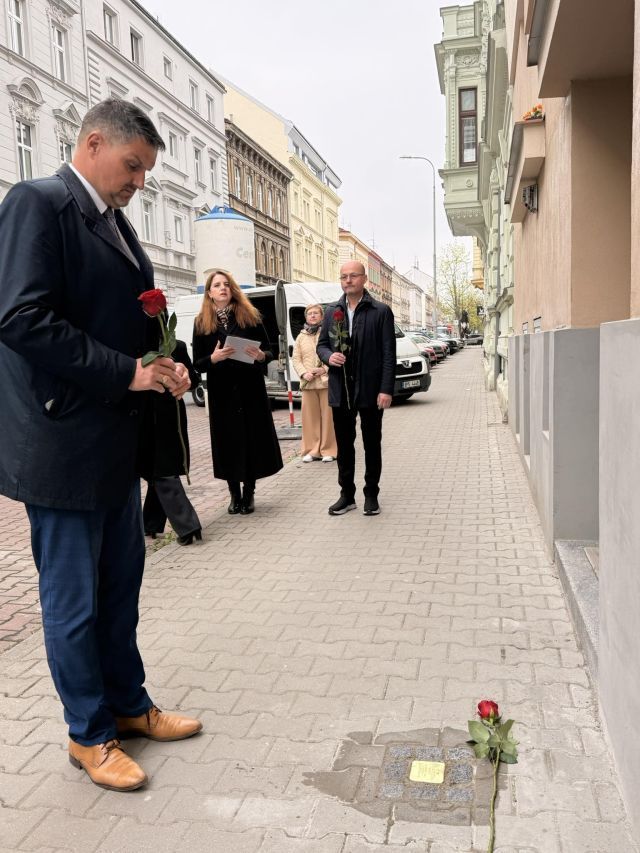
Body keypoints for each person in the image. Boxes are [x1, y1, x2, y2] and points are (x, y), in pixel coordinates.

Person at [0, 99, 202, 793]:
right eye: (133, 166)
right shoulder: (38, 203)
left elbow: (122, 321)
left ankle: (128, 704)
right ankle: (88, 733)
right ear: (92, 144)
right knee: (74, 602)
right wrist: (126, 372)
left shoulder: (114, 222)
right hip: (62, 445)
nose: (140, 182)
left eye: (145, 171)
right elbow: (20, 317)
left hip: (113, 443)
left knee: (119, 590)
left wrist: (164, 364)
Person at [192, 269, 283, 513]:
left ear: (232, 290)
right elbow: (197, 363)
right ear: (209, 293)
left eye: (226, 284)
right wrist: (213, 358)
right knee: (228, 442)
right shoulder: (201, 323)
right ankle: (234, 494)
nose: (222, 288)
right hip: (222, 393)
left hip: (250, 389)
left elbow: (271, 351)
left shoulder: (250, 316)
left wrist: (261, 355)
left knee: (251, 439)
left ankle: (249, 493)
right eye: (217, 285)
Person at [317, 260, 396, 516]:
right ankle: (347, 495)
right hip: (341, 390)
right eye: (343, 276)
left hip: (371, 389)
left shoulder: (380, 311)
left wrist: (386, 389)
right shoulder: (332, 311)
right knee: (344, 445)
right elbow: (321, 345)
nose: (348, 280)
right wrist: (329, 356)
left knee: (372, 444)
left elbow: (388, 353)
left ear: (364, 279)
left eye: (353, 276)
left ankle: (371, 494)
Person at [140, 339, 202, 546]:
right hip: (152, 414)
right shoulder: (140, 347)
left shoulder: (176, 346)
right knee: (156, 469)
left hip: (165, 413)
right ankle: (150, 523)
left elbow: (193, 379)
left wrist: (180, 375)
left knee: (162, 471)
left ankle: (188, 526)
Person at [291, 304, 337, 463]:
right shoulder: (301, 337)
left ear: (322, 316)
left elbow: (334, 354)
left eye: (316, 313)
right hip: (308, 384)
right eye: (309, 313)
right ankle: (312, 450)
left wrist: (324, 369)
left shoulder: (328, 333)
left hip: (325, 383)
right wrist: (304, 373)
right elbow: (296, 359)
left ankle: (328, 450)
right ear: (306, 317)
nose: (312, 315)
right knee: (310, 419)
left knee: (328, 418)